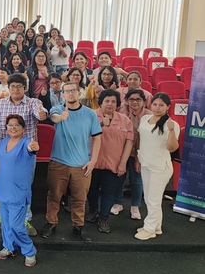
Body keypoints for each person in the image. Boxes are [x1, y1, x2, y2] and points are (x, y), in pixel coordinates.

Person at [42, 81, 102, 242]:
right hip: (58, 162)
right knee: (54, 195)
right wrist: (60, 117)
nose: (70, 93)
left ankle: (78, 226)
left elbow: (97, 137)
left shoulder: (90, 114)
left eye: (73, 90)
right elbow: (53, 117)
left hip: (82, 164)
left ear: (79, 92)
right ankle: (51, 222)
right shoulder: (58, 109)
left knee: (80, 197)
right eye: (66, 91)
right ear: (62, 94)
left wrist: (93, 160)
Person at [0, 74, 47, 236]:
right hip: (5, 154)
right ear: (8, 88)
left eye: (19, 86)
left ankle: (25, 219)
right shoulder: (0, 104)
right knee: (3, 185)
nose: (15, 89)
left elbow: (40, 113)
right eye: (12, 86)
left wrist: (42, 114)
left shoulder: (33, 103)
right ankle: (2, 216)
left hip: (25, 154)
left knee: (24, 187)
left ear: (25, 88)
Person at [86, 89, 134, 233]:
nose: (110, 104)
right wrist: (100, 124)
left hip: (114, 164)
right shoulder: (91, 116)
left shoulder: (125, 120)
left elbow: (129, 143)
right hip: (92, 162)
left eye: (113, 101)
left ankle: (104, 217)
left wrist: (123, 163)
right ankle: (93, 210)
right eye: (107, 101)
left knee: (109, 192)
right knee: (92, 190)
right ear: (100, 102)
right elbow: (82, 134)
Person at [0, 114, 39, 267]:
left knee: (16, 225)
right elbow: (0, 161)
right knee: (6, 223)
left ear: (23, 128)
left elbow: (32, 149)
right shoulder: (3, 142)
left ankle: (29, 251)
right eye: (10, 125)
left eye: (16, 125)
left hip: (18, 191)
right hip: (2, 188)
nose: (13, 128)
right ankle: (9, 246)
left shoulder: (27, 142)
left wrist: (34, 147)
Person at [134, 93, 180, 240]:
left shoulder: (172, 124)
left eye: (161, 105)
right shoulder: (145, 118)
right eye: (155, 104)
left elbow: (172, 148)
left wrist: (171, 130)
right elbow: (142, 139)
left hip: (160, 167)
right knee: (148, 197)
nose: (157, 108)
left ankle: (149, 229)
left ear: (168, 107)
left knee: (153, 199)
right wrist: (139, 158)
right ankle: (156, 225)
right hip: (146, 163)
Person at [112, 89, 152, 219]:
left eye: (138, 99)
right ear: (127, 101)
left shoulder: (149, 116)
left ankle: (135, 206)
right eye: (131, 99)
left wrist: (138, 158)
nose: (134, 102)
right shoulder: (121, 112)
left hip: (140, 153)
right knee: (119, 179)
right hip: (121, 151)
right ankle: (118, 203)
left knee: (136, 181)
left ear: (144, 101)